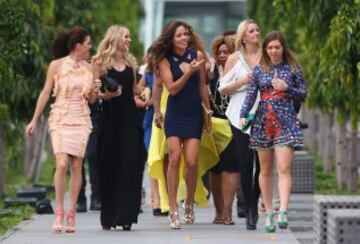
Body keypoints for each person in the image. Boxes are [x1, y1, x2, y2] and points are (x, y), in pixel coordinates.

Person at [26, 27, 100, 233]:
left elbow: (92, 100)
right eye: (88, 43)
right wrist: (33, 120)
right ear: (79, 45)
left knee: (77, 166)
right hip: (60, 117)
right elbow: (45, 92)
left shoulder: (90, 67)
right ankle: (59, 211)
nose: (90, 47)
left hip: (81, 119)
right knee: (61, 164)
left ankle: (71, 214)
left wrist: (95, 89)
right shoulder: (56, 65)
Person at [239, 30, 307, 233]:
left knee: (284, 167)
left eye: (277, 47)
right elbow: (251, 96)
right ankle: (268, 212)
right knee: (265, 169)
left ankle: (282, 210)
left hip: (286, 120)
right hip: (262, 122)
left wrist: (287, 88)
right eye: (270, 47)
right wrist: (243, 114)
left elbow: (302, 94)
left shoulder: (293, 68)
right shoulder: (259, 70)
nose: (274, 51)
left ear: (283, 48)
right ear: (265, 49)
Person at [150, 20, 211, 229]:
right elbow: (172, 89)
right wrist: (186, 72)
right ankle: (173, 207)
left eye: (186, 34)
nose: (184, 38)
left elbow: (202, 85)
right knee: (174, 158)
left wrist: (208, 113)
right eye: (179, 35)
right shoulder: (164, 60)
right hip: (175, 112)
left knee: (192, 161)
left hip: (194, 112)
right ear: (171, 39)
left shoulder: (198, 56)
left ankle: (189, 203)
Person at [92, 25, 147, 231]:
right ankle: (109, 216)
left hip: (130, 120)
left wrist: (147, 89)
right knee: (109, 167)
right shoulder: (100, 64)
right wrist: (107, 95)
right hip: (108, 120)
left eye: (130, 37)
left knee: (131, 167)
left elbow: (134, 89)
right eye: (126, 36)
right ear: (115, 38)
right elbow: (93, 93)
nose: (129, 40)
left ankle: (127, 216)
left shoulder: (131, 63)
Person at [218, 19, 262, 230]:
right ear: (243, 36)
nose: (256, 33)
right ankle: (249, 208)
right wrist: (243, 81)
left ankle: (254, 202)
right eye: (252, 30)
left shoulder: (266, 56)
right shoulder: (234, 58)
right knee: (245, 163)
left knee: (263, 164)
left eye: (257, 30)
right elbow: (223, 88)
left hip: (264, 113)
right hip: (240, 115)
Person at [76, 101, 102, 213]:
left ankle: (96, 196)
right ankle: (80, 199)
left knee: (93, 155)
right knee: (76, 158)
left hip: (94, 115)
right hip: (74, 116)